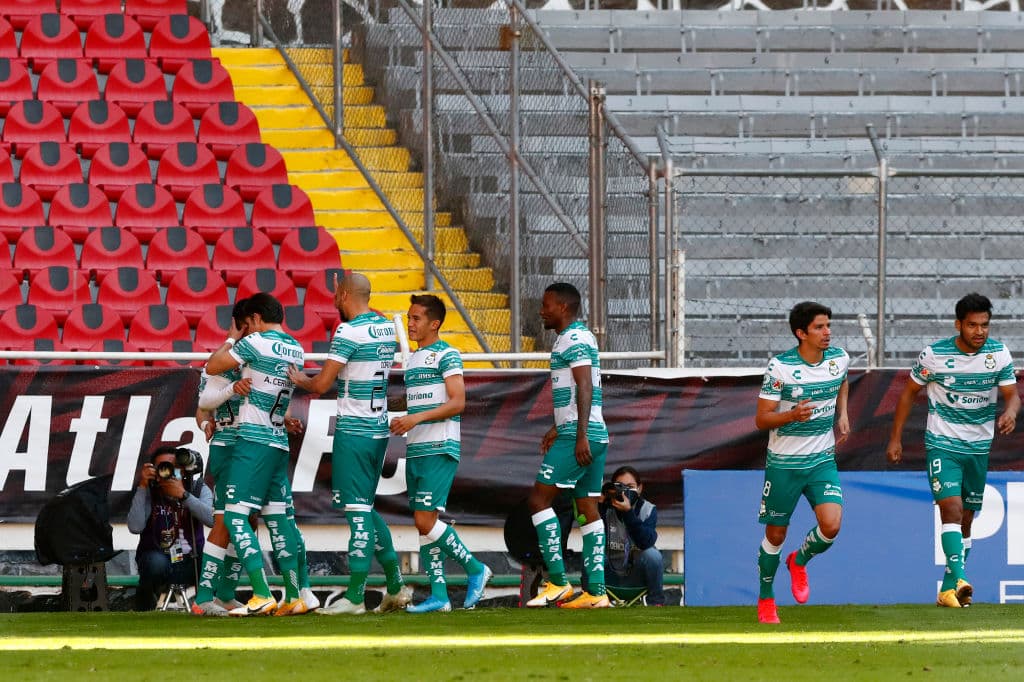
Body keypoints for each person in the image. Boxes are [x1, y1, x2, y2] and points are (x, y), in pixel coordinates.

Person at [886, 293, 1019, 609]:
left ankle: (947, 591)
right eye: (972, 325)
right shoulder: (934, 355)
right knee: (952, 509)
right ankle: (960, 578)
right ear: (958, 324)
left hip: (978, 448)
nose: (979, 331)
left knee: (967, 520)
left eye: (984, 325)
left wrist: (1011, 412)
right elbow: (907, 394)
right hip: (942, 444)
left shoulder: (998, 354)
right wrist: (895, 438)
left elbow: (1012, 395)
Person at [288, 272, 410, 615]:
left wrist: (299, 378)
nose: (332, 300)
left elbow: (321, 384)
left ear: (344, 295)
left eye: (335, 295)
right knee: (366, 509)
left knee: (357, 513)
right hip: (377, 430)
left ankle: (355, 597)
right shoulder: (384, 327)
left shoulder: (348, 331)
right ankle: (396, 587)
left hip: (354, 432)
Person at [389, 294, 492, 613]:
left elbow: (457, 402)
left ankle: (476, 568)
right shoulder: (414, 359)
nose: (410, 323)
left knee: (424, 521)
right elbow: (417, 399)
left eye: (416, 318)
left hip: (439, 445)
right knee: (425, 523)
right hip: (417, 447)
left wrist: (415, 418)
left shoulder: (447, 354)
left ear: (434, 324)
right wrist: (386, 405)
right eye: (409, 317)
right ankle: (439, 595)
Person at [206, 292, 305, 616]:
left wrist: (232, 337)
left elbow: (213, 365)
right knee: (277, 518)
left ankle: (262, 593)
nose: (248, 328)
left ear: (257, 319)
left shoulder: (256, 342)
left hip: (253, 439)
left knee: (234, 515)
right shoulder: (297, 348)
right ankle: (294, 595)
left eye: (249, 323)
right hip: (278, 441)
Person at [754, 301, 850, 624]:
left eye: (828, 325)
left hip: (822, 460)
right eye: (819, 327)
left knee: (832, 525)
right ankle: (766, 597)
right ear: (801, 333)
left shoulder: (838, 358)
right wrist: (792, 415)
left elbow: (843, 380)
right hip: (784, 464)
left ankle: (799, 560)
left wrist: (843, 414)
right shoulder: (780, 367)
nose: (827, 332)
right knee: (776, 535)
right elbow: (761, 419)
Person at [525, 282, 610, 609]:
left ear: (562, 307)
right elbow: (579, 391)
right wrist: (557, 427)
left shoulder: (573, 338)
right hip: (590, 432)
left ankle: (559, 582)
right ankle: (597, 593)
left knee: (539, 500)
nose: (541, 311)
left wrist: (579, 434)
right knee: (587, 507)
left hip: (582, 434)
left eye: (546, 305)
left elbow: (585, 385)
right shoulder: (575, 337)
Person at [127, 446, 214, 611]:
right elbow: (135, 527)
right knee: (156, 562)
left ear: (183, 469)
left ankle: (208, 603)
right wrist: (142, 486)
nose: (168, 472)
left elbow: (212, 520)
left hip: (192, 560)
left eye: (174, 467)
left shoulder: (196, 488)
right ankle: (145, 604)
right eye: (163, 467)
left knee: (213, 557)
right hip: (158, 557)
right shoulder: (148, 491)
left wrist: (184, 495)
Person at [593, 466, 664, 606]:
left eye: (630, 487)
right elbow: (595, 537)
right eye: (620, 487)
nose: (625, 491)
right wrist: (600, 505)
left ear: (639, 488)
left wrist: (628, 512)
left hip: (635, 570)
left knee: (653, 555)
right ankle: (591, 598)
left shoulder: (647, 508)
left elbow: (646, 542)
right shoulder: (604, 506)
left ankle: (656, 602)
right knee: (592, 552)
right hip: (609, 570)